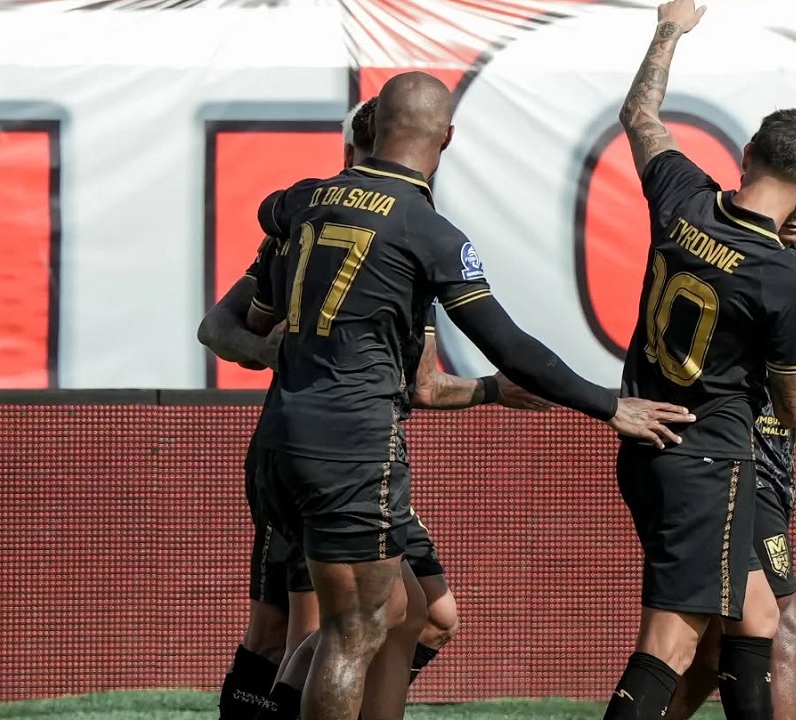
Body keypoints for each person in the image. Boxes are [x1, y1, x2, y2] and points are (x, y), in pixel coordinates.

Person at [251, 71, 695, 720]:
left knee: (394, 610)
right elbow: (510, 348)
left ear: (373, 126)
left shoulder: (303, 199)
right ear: (448, 137)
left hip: (276, 443)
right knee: (355, 630)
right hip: (351, 448)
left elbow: (269, 215)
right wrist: (609, 406)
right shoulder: (428, 231)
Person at [197, 96, 548, 720]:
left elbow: (422, 385)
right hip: (321, 451)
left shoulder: (405, 236)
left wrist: (494, 390)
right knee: (305, 630)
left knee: (420, 616)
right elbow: (220, 327)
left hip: (361, 457)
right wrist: (263, 349)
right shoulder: (316, 225)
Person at [602, 2, 796, 720]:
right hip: (709, 463)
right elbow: (792, 409)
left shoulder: (685, 197)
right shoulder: (787, 275)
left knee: (759, 618)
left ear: (746, 154)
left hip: (650, 442)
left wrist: (669, 29)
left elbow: (639, 115)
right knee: (670, 647)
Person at [664, 170, 796, 720]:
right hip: (729, 466)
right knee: (782, 624)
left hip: (771, 473)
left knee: (712, 651)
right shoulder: (729, 255)